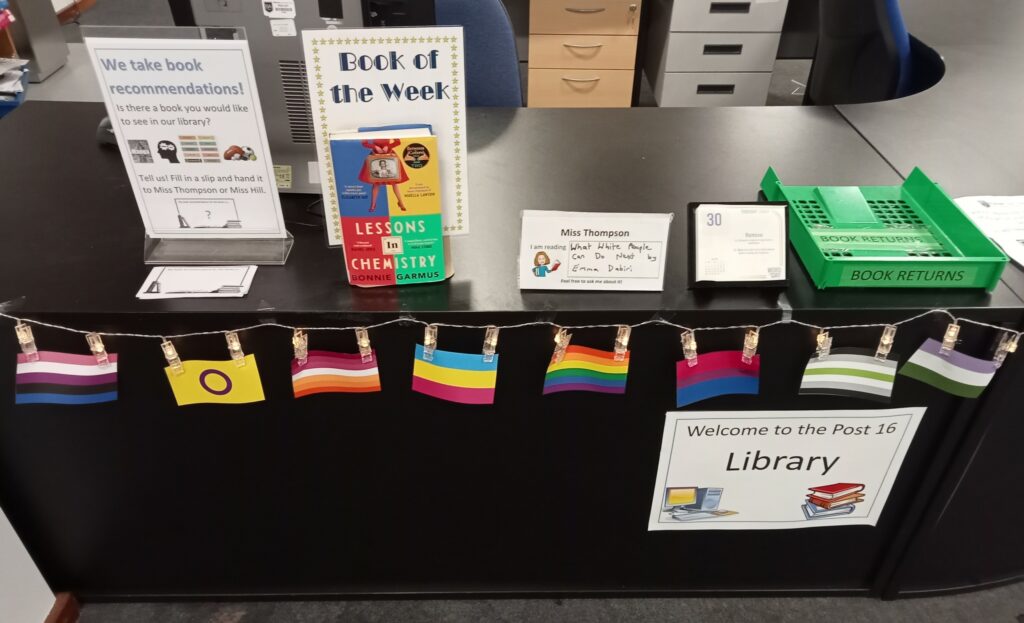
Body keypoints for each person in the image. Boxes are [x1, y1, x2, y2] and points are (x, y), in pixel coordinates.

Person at [359, 139, 408, 212]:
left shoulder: (390, 131)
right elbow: (364, 143)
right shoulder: (369, 132)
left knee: (394, 181)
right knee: (376, 183)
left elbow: (398, 142)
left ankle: (400, 202)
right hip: (375, 156)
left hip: (390, 156)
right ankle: (373, 204)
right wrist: (375, 147)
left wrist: (388, 146)